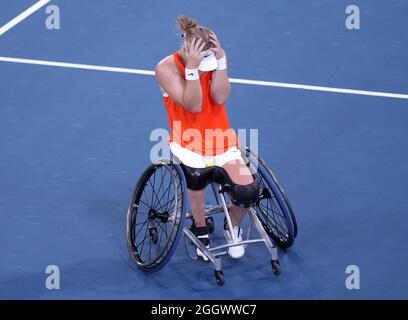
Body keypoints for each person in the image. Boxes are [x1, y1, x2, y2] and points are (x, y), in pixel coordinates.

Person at [155, 15, 255, 261]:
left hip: (222, 141)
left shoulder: (213, 63)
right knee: (197, 178)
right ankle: (200, 228)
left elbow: (220, 97)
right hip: (187, 143)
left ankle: (231, 226)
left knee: (248, 192)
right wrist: (191, 71)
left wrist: (221, 63)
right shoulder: (165, 69)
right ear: (187, 50)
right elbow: (194, 105)